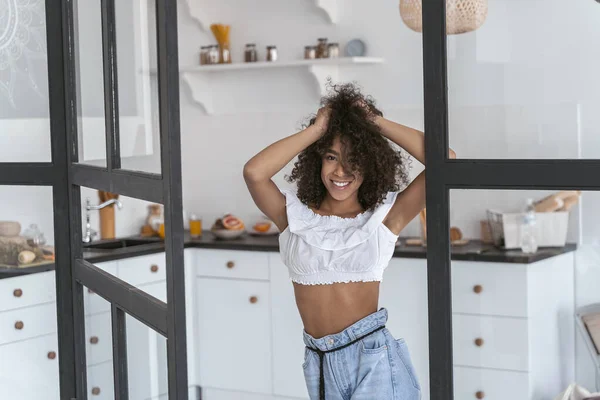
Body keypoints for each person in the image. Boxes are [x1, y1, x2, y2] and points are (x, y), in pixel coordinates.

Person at [243, 82, 456, 400]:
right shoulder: (295, 217)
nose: (341, 170)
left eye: (354, 159)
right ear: (317, 161)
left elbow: (445, 159)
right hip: (320, 361)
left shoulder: (384, 217)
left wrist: (374, 122)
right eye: (331, 157)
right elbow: (254, 172)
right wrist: (317, 130)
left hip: (373, 358)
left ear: (370, 165)